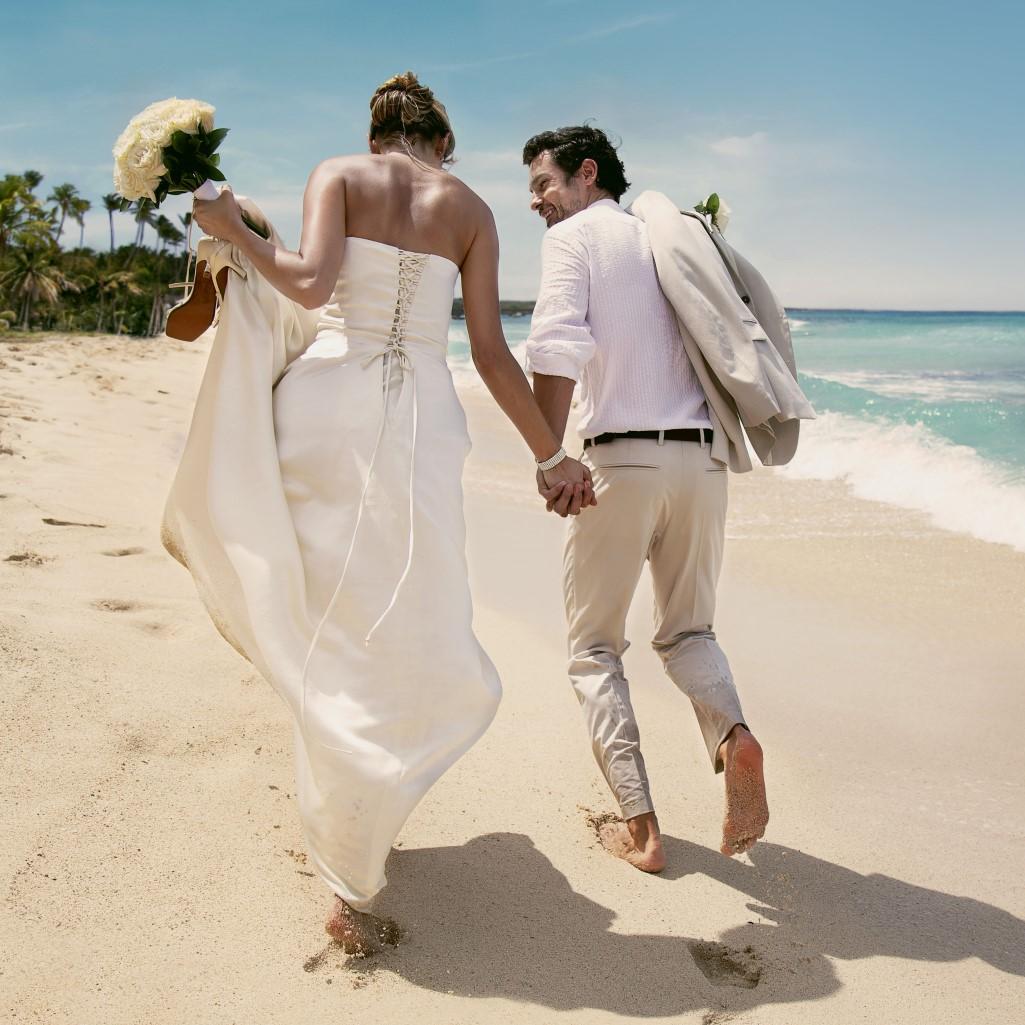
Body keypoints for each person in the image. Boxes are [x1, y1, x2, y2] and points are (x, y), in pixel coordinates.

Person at [181, 72, 594, 954]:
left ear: (377, 138)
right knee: (403, 617)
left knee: (324, 619)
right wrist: (550, 454)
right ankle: (360, 827)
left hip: (327, 406)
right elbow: (491, 353)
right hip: (422, 425)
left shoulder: (339, 173)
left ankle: (344, 838)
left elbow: (306, 284)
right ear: (442, 142)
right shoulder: (471, 208)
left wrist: (231, 232)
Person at [522, 125, 769, 872]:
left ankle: (642, 829)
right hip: (702, 460)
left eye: (542, 183)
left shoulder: (574, 238)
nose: (534, 201)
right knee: (689, 631)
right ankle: (733, 734)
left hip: (621, 461)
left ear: (586, 173)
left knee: (594, 648)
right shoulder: (670, 238)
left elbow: (556, 343)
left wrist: (549, 455)